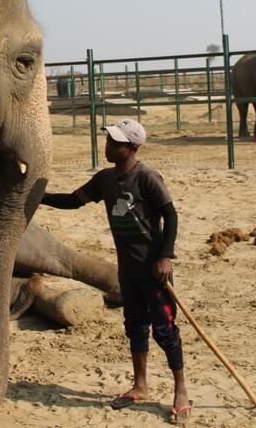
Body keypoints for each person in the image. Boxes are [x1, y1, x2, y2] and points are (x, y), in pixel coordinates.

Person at [41, 118, 192, 423]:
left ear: (132, 148)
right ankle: (140, 384)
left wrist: (166, 257)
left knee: (166, 331)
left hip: (154, 272)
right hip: (128, 271)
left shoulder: (147, 178)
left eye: (115, 142)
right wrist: (38, 197)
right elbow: (74, 201)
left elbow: (170, 216)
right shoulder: (105, 180)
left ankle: (181, 390)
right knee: (135, 326)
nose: (108, 146)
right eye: (108, 140)